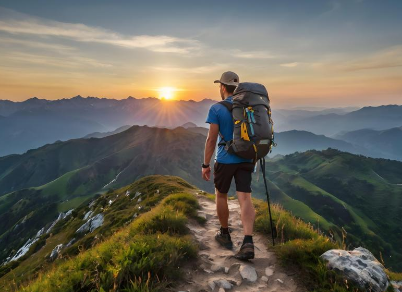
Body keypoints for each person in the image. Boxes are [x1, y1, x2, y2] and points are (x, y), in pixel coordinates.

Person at [201, 71, 256, 260]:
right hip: (247, 158)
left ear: (222, 87)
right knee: (245, 198)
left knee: (221, 195)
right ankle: (248, 241)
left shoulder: (216, 109)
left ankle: (225, 235)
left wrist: (205, 164)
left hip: (225, 159)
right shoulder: (249, 106)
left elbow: (211, 139)